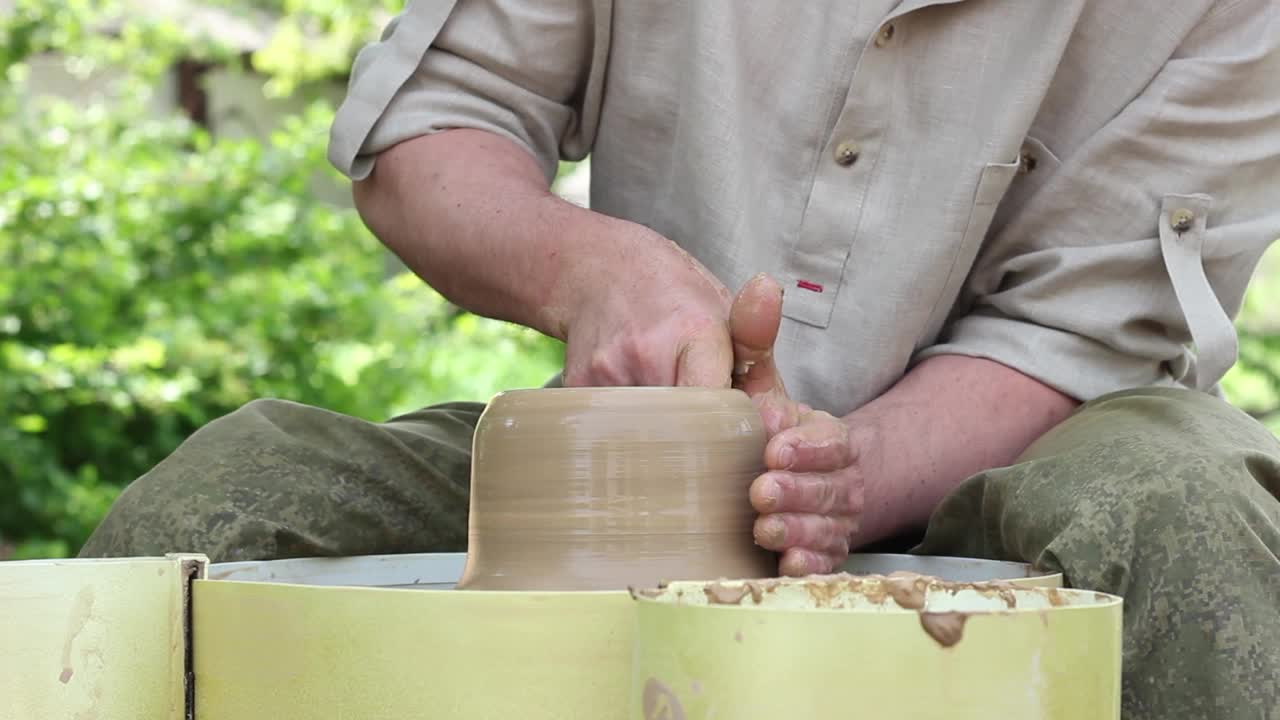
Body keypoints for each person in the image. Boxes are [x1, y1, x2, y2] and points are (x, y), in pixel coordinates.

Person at [80, 1, 1279, 717]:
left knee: (1177, 505)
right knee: (233, 500)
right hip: (642, 445)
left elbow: (1068, 332)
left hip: (1024, 456)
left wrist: (845, 471)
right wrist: (590, 268)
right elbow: (429, 126)